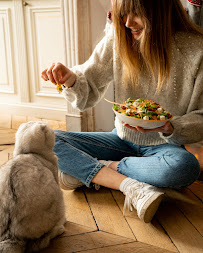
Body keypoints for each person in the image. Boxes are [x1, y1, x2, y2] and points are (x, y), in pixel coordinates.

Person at [41, 0, 203, 223]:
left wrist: (170, 126)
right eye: (123, 14)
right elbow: (87, 85)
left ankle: (101, 170)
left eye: (136, 13)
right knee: (42, 138)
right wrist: (70, 80)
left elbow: (201, 116)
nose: (127, 23)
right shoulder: (118, 39)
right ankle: (128, 184)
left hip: (165, 149)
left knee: (186, 168)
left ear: (159, 9)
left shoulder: (196, 49)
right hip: (119, 140)